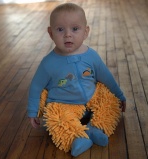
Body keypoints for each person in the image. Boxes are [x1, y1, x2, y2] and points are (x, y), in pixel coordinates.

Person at [27, 3, 126, 157]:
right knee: (56, 119)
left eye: (75, 29)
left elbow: (106, 76)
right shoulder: (48, 63)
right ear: (50, 33)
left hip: (91, 97)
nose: (68, 35)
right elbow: (35, 87)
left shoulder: (91, 55)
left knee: (109, 101)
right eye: (60, 29)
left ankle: (97, 128)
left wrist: (119, 95)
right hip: (64, 105)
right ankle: (75, 138)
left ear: (85, 32)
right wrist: (33, 111)